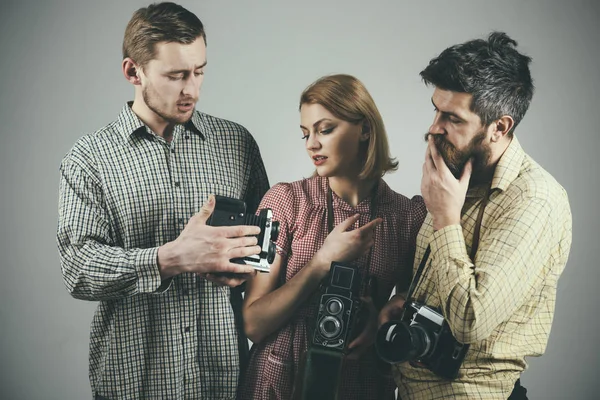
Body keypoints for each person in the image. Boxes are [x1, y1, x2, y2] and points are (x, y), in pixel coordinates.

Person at [56, 2, 269, 399]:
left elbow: (266, 248)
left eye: (199, 71)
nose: (192, 89)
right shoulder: (89, 159)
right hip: (135, 380)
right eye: (176, 76)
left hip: (222, 378)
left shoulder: (237, 144)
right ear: (133, 72)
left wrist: (244, 269)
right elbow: (78, 268)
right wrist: (170, 258)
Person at [379, 32, 573, 399]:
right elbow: (442, 282)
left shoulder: (536, 200)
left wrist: (445, 219)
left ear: (500, 127)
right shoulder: (459, 176)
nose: (434, 127)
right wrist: (404, 301)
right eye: (435, 109)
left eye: (452, 117)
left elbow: (470, 318)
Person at [237, 74, 427, 400]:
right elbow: (253, 322)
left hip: (363, 383)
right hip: (280, 381)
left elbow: (412, 304)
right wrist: (321, 262)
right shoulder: (283, 202)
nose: (312, 143)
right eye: (305, 134)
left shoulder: (408, 217)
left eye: (324, 130)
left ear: (365, 129)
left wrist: (382, 323)